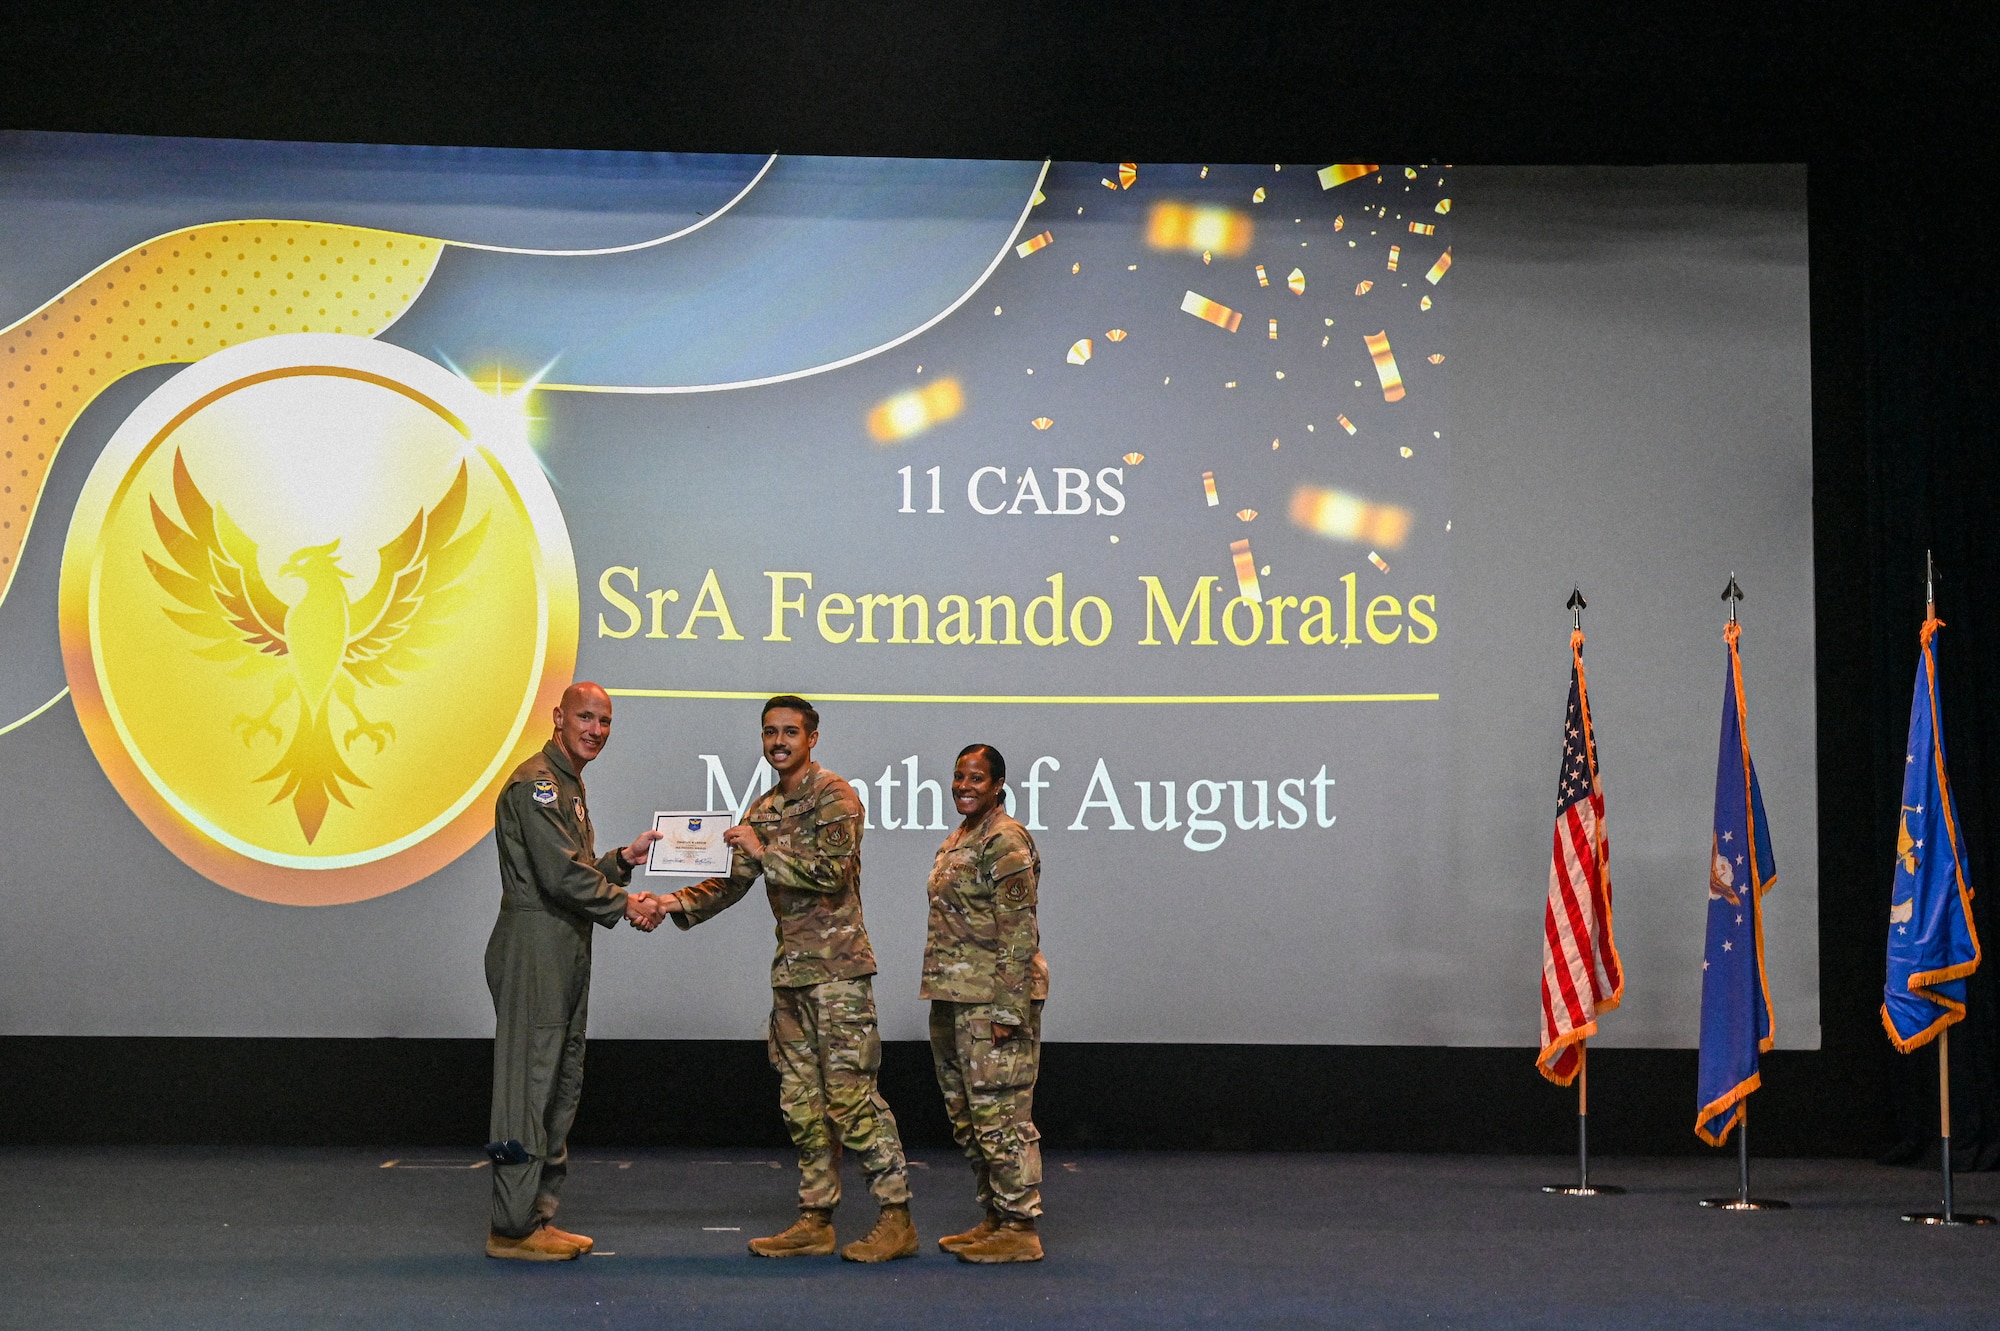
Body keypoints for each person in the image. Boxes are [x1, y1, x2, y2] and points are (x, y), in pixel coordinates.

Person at [657, 696, 916, 1262]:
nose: (778, 741)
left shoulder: (835, 796)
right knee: (801, 1101)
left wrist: (762, 848)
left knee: (850, 1098)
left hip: (840, 975)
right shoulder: (765, 807)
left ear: (812, 738)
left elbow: (831, 873)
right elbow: (728, 881)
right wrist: (668, 901)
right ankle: (815, 1219)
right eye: (770, 732)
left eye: (790, 732)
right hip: (792, 978)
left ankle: (896, 1217)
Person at [483, 681, 668, 1261]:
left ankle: (537, 1216)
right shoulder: (537, 783)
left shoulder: (567, 783)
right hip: (536, 944)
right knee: (528, 1087)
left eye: (605, 722)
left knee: (560, 1081)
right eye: (586, 718)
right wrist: (624, 902)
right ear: (559, 717)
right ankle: (511, 1229)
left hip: (564, 942)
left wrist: (622, 861)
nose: (596, 730)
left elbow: (575, 864)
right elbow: (559, 875)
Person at [923, 743, 1048, 1263]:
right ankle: (995, 1216)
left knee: (1000, 1114)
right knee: (968, 1115)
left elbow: (1019, 933)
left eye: (975, 779)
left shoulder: (1005, 840)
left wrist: (1006, 1010)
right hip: (953, 998)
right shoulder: (961, 838)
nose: (963, 786)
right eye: (958, 777)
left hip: (992, 1002)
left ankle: (1021, 1228)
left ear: (998, 785)